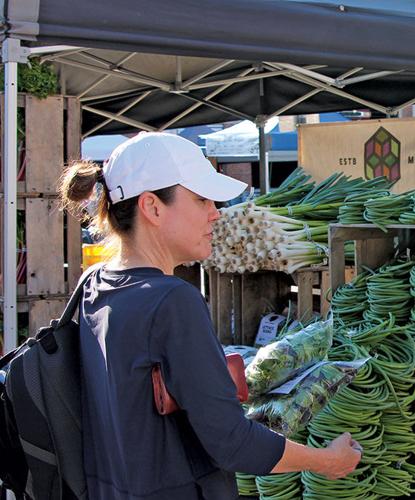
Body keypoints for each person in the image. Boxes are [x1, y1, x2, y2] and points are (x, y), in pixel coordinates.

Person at [59, 133, 362, 499]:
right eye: (200, 198)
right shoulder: (172, 301)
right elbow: (231, 442)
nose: (215, 211)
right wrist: (326, 460)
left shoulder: (94, 283)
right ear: (152, 207)